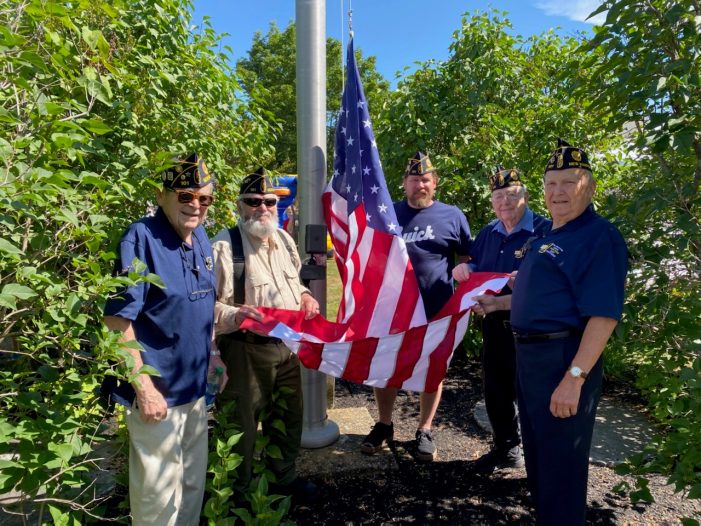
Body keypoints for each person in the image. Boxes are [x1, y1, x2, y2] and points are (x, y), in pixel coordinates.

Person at [472, 140, 628, 524]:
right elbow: (546, 297)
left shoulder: (596, 236)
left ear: (588, 187)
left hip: (563, 360)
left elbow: (603, 316)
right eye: (551, 183)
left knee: (561, 464)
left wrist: (575, 378)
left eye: (569, 182)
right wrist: (498, 304)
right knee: (540, 458)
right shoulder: (547, 236)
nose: (558, 192)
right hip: (530, 360)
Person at [103, 153, 227, 525]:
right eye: (186, 196)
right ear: (162, 196)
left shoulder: (200, 236)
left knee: (190, 490)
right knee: (157, 502)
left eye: (204, 199)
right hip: (157, 397)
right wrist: (144, 388)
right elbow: (116, 320)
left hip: (193, 391)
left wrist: (214, 354)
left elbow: (203, 305)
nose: (195, 206)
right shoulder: (140, 237)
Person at [212, 168, 321, 502]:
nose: (262, 208)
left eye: (269, 201)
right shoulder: (224, 245)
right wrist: (235, 314)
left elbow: (295, 281)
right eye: (253, 201)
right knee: (241, 429)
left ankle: (281, 481)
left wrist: (304, 295)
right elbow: (205, 307)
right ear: (239, 205)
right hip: (245, 351)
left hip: (286, 347)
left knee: (288, 418)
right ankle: (238, 497)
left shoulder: (284, 239)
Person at [361, 151, 472, 462]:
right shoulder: (388, 214)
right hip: (393, 309)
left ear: (434, 183)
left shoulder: (453, 216)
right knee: (387, 367)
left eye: (425, 179)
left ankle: (425, 428)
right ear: (404, 184)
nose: (419, 184)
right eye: (414, 179)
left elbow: (466, 260)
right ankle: (384, 425)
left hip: (436, 309)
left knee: (432, 369)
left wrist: (467, 280)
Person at [452, 166, 550, 472]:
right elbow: (477, 269)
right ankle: (507, 449)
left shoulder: (546, 230)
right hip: (494, 326)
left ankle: (544, 462)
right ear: (492, 201)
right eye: (498, 196)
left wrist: (530, 279)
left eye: (511, 195)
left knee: (536, 396)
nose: (505, 202)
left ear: (526, 196)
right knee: (496, 391)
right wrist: (462, 272)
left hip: (534, 330)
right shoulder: (487, 233)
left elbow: (553, 282)